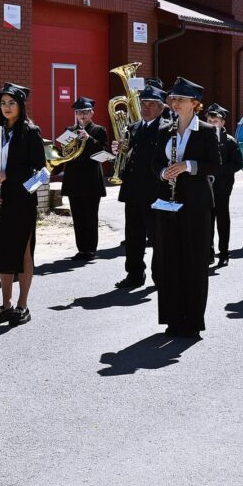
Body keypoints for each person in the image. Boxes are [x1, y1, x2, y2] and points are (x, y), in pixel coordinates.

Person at [151, 77, 221, 338]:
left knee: (194, 262)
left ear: (195, 103)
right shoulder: (164, 130)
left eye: (180, 99)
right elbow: (155, 163)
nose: (174, 102)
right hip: (167, 204)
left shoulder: (206, 131)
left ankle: (192, 321)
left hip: (196, 205)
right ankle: (173, 319)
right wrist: (162, 173)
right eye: (173, 98)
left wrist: (188, 166)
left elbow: (214, 165)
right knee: (170, 262)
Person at [0, 82, 47, 326]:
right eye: (3, 103)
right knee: (2, 252)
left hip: (22, 201)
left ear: (20, 106)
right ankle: (6, 304)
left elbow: (41, 171)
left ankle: (22, 305)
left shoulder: (30, 132)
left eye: (12, 103)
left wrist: (13, 176)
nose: (6, 108)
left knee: (23, 252)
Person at [112, 85, 166, 289]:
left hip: (153, 191)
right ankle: (134, 274)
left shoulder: (166, 128)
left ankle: (160, 276)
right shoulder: (133, 127)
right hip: (132, 190)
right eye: (144, 104)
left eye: (152, 104)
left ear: (161, 108)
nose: (146, 108)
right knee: (133, 236)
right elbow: (128, 156)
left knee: (157, 237)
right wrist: (119, 150)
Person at [59, 97, 108, 261]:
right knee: (78, 216)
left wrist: (89, 139)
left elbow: (103, 153)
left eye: (85, 112)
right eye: (79, 112)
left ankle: (91, 249)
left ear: (91, 113)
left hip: (91, 179)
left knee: (90, 215)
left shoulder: (99, 130)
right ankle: (81, 249)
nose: (82, 115)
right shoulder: (69, 130)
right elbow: (64, 153)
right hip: (74, 179)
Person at [205, 103, 243, 267]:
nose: (212, 123)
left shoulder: (229, 141)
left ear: (222, 123)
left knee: (222, 221)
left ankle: (224, 252)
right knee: (207, 220)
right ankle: (209, 252)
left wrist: (219, 170)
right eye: (209, 120)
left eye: (216, 120)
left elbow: (238, 164)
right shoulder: (203, 138)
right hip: (206, 187)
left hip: (223, 186)